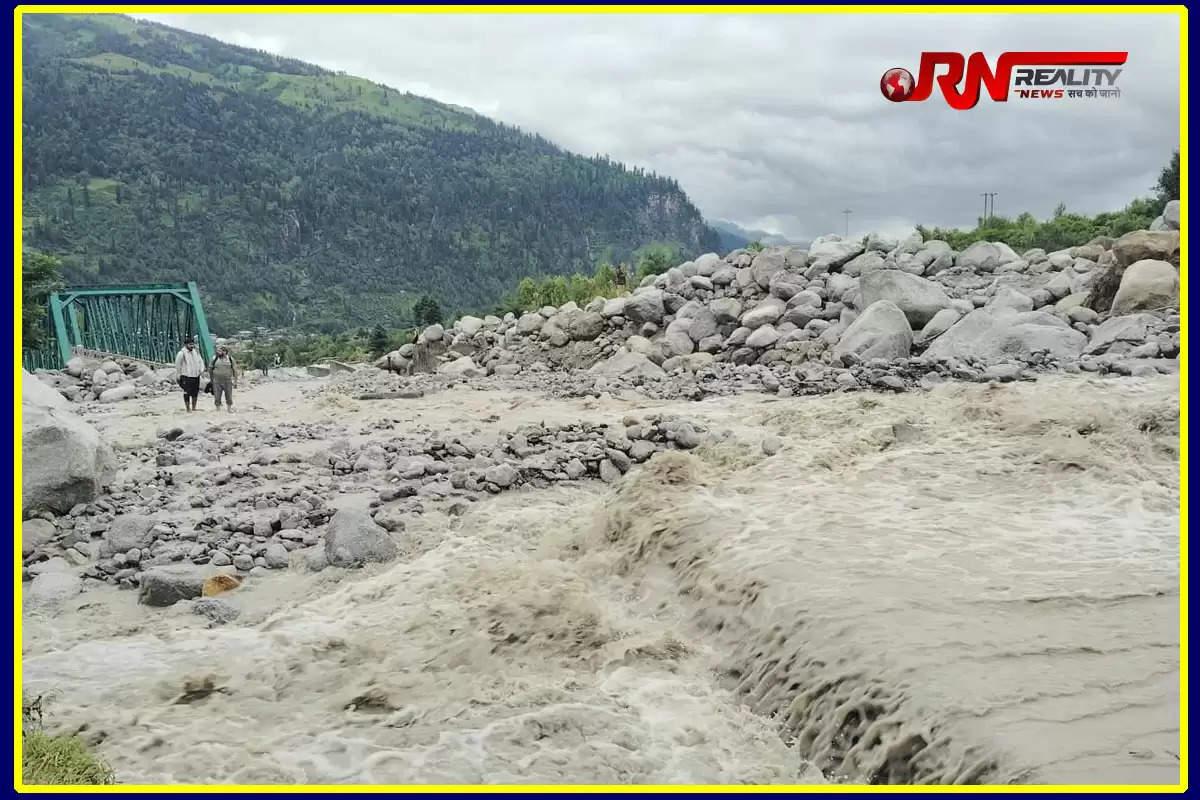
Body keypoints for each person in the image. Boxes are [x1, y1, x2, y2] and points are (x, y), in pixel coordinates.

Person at [174, 337, 204, 412]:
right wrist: (178, 375)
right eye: (190, 344)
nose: (192, 346)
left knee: (195, 392)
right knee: (187, 392)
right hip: (186, 376)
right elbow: (178, 365)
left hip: (196, 375)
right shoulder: (181, 353)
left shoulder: (196, 352)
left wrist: (201, 370)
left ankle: (194, 408)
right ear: (186, 345)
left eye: (192, 344)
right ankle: (188, 408)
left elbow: (200, 361)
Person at [209, 345, 238, 412]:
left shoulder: (230, 359)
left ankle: (229, 409)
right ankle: (218, 409)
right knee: (217, 396)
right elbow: (210, 369)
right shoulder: (214, 358)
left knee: (229, 396)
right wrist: (211, 379)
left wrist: (235, 381)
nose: (218, 352)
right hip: (217, 381)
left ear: (225, 352)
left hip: (227, 381)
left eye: (220, 351)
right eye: (218, 351)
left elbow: (235, 370)